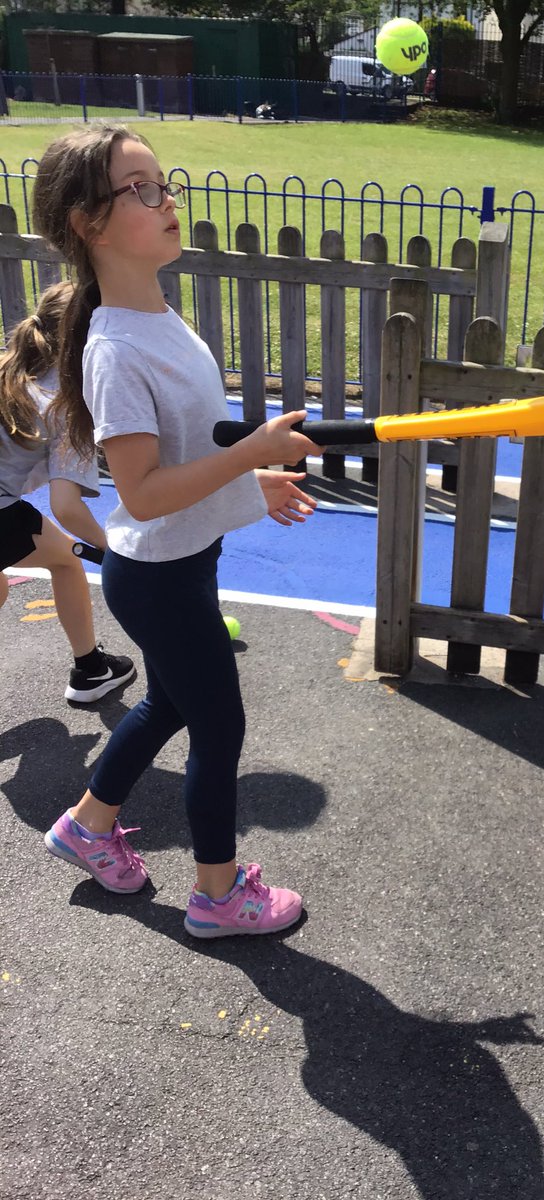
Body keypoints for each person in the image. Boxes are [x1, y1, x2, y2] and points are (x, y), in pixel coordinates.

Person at [32, 124, 321, 936]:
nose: (169, 201)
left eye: (167, 183)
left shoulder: (158, 316)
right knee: (218, 725)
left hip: (180, 563)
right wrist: (250, 458)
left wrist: (251, 477)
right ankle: (219, 897)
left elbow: (189, 460)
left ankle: (85, 828)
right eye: (143, 189)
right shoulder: (117, 350)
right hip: (157, 575)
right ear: (88, 223)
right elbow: (146, 494)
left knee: (168, 703)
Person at [0, 281, 136, 704]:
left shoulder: (8, 368)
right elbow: (67, 508)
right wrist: (117, 555)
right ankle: (91, 671)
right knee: (65, 562)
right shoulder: (68, 405)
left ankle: (92, 669)